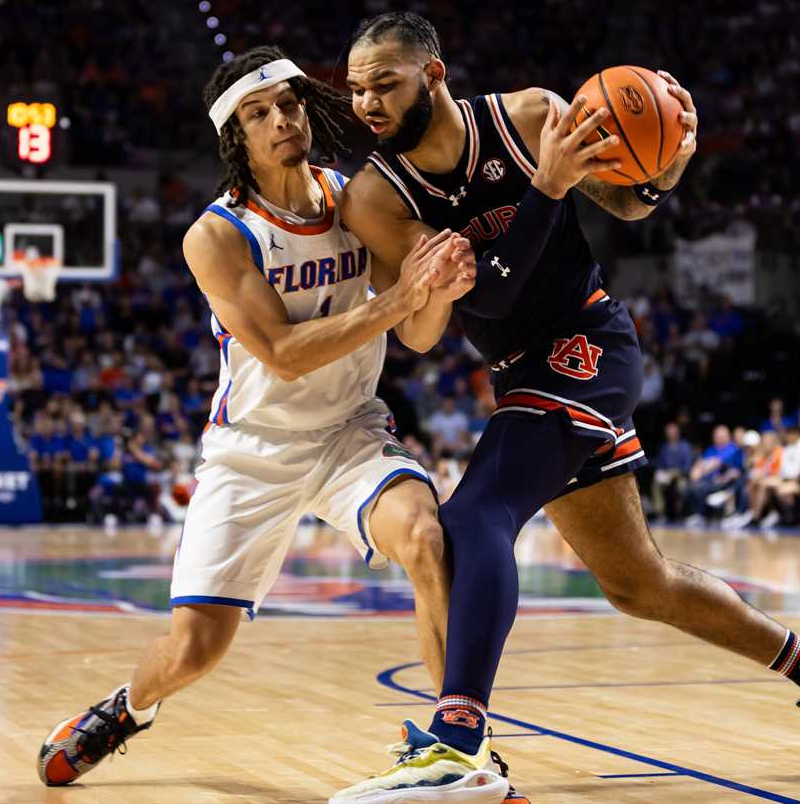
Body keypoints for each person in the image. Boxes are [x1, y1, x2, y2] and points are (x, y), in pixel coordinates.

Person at [331, 12, 800, 803]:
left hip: (589, 344)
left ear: (435, 74)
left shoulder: (526, 117)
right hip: (520, 369)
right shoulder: (375, 197)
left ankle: (457, 737)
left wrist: (663, 168)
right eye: (355, 90)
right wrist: (545, 190)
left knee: (476, 516)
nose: (367, 104)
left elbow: (626, 203)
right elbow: (486, 294)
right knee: (637, 583)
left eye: (383, 82)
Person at [36, 47, 475, 786]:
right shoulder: (216, 235)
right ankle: (128, 706)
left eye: (291, 103)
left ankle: (455, 748)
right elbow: (283, 352)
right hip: (254, 451)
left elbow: (418, 336)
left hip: (350, 434)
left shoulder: (357, 200)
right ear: (235, 136)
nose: (281, 120)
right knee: (194, 650)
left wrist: (439, 290)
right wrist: (400, 300)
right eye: (258, 112)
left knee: (430, 537)